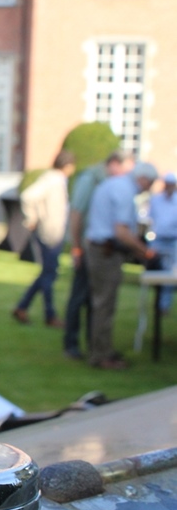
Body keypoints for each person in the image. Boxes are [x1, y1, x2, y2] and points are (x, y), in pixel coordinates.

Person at [83, 161, 158, 369]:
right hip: (106, 252)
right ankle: (101, 355)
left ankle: (102, 349)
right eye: (150, 184)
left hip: (99, 248)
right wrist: (145, 251)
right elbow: (122, 232)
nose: (149, 189)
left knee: (100, 303)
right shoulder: (125, 191)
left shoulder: (114, 184)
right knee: (104, 304)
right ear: (143, 178)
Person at [62, 151, 134, 359]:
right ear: (114, 164)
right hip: (88, 246)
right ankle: (71, 344)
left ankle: (94, 345)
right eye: (125, 170)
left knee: (94, 299)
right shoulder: (91, 179)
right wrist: (76, 247)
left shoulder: (108, 181)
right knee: (80, 295)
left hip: (97, 247)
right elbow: (76, 213)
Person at [12, 150, 76, 326]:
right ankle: (49, 314)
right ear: (67, 165)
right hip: (49, 232)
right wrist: (32, 218)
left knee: (48, 272)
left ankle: (23, 307)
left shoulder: (57, 180)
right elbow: (28, 196)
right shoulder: (53, 180)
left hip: (53, 231)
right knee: (49, 273)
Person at [148, 172, 177, 311]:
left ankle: (164, 305)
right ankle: (156, 302)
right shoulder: (156, 200)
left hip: (173, 241)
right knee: (154, 272)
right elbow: (151, 219)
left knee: (169, 273)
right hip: (158, 240)